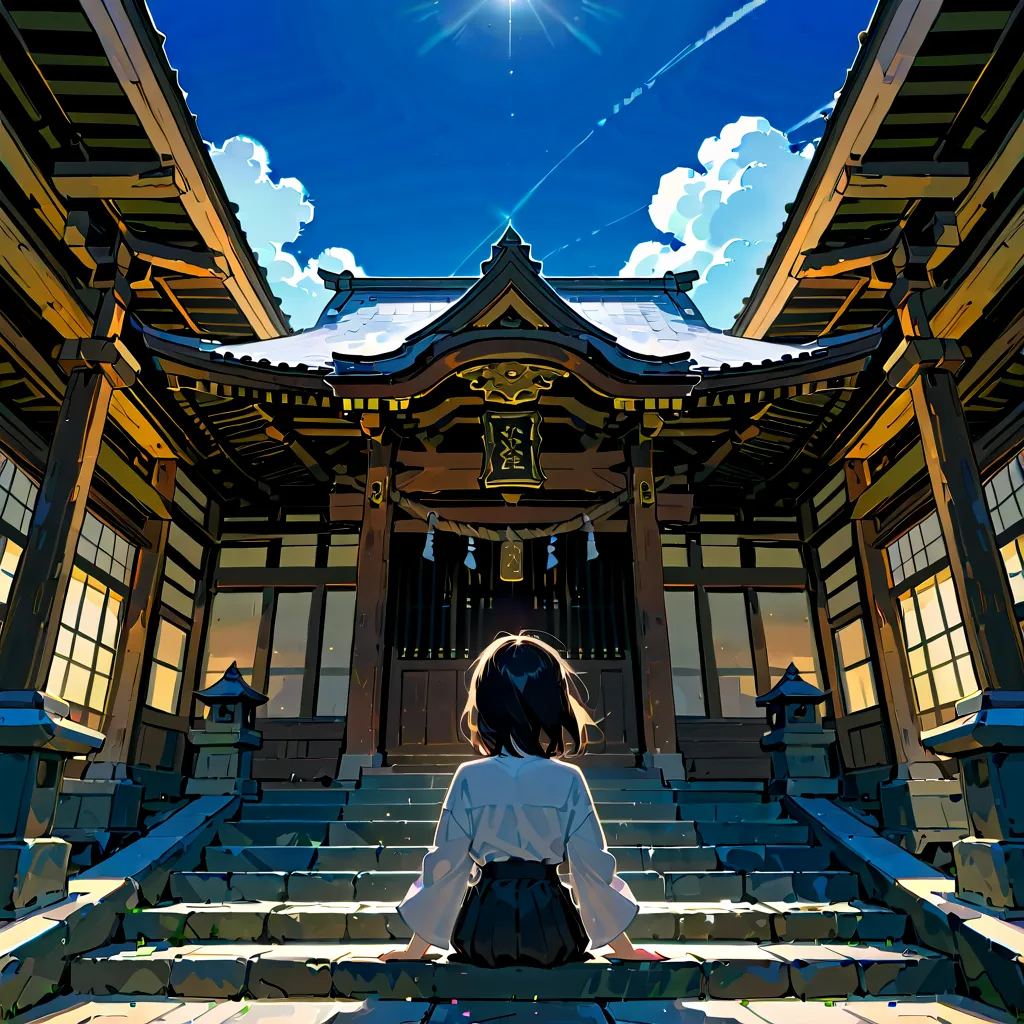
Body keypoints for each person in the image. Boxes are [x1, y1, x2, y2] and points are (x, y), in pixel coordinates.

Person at [379, 632, 663, 968]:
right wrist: (624, 949)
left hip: (482, 931)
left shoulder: (469, 777)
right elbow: (590, 870)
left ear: (486, 705)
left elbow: (446, 867)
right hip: (553, 930)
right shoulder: (568, 779)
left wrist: (415, 951)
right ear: (551, 703)